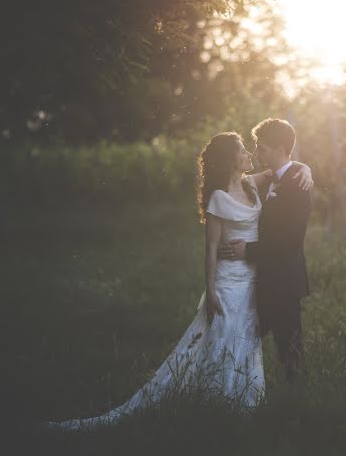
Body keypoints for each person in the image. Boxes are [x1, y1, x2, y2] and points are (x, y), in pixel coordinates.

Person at [47, 131, 313, 430]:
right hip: (228, 280)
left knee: (244, 337)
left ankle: (241, 397)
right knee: (222, 335)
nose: (250, 154)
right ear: (229, 160)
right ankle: (215, 398)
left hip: (252, 278)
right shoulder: (218, 197)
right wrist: (210, 290)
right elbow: (211, 248)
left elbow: (285, 170)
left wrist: (306, 168)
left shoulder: (250, 185)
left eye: (252, 149)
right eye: (242, 150)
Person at [220, 118, 311, 383]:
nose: (257, 152)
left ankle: (295, 399)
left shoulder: (299, 185)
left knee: (289, 346)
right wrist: (305, 166)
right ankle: (236, 383)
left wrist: (246, 251)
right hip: (262, 277)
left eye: (263, 147)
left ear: (281, 148)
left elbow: (290, 240)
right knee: (247, 335)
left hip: (284, 278)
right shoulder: (268, 178)